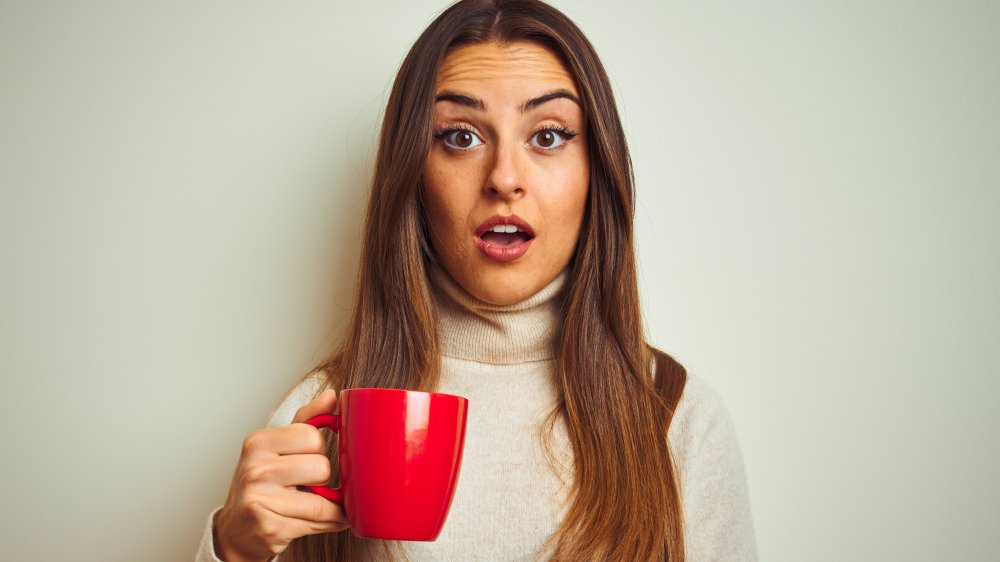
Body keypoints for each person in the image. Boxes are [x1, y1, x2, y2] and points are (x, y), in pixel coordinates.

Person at [196, 0, 758, 560]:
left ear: (598, 172)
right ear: (412, 174)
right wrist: (232, 550)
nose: (504, 179)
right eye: (461, 137)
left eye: (548, 136)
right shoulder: (319, 422)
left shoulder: (679, 419)